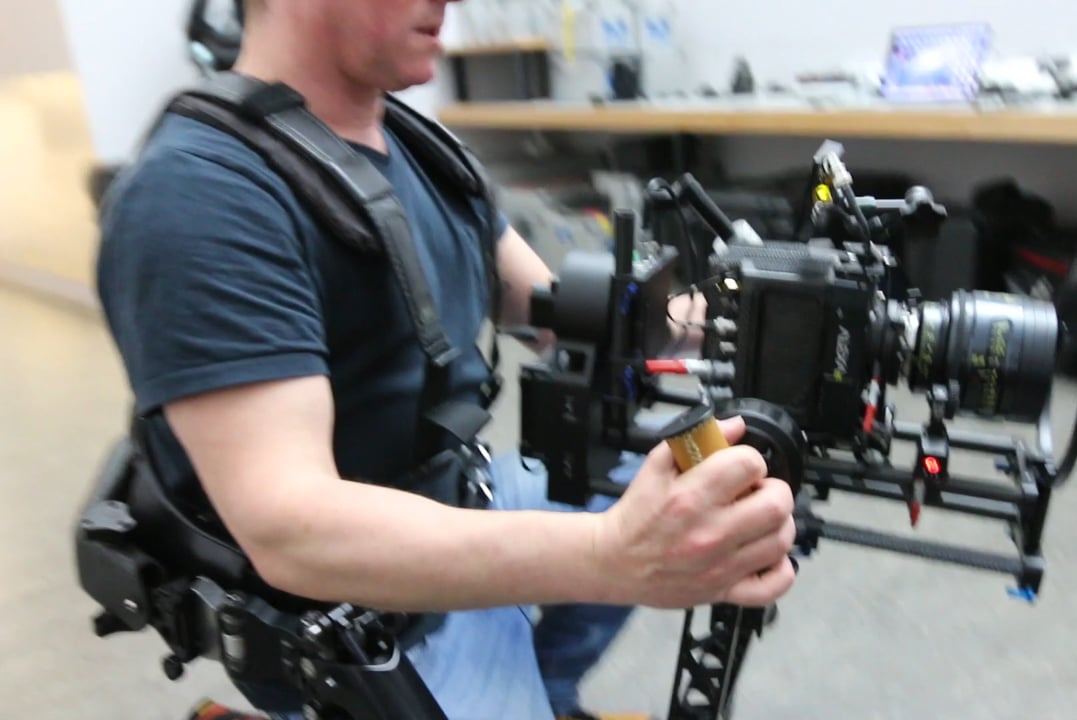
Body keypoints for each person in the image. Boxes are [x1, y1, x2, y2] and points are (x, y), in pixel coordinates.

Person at [94, 1, 798, 719]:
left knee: (658, 477)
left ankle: (548, 693)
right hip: (356, 617)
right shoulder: (200, 198)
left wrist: (758, 320)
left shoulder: (415, 144)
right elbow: (291, 531)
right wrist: (610, 555)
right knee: (630, 526)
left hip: (457, 490)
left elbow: (560, 318)